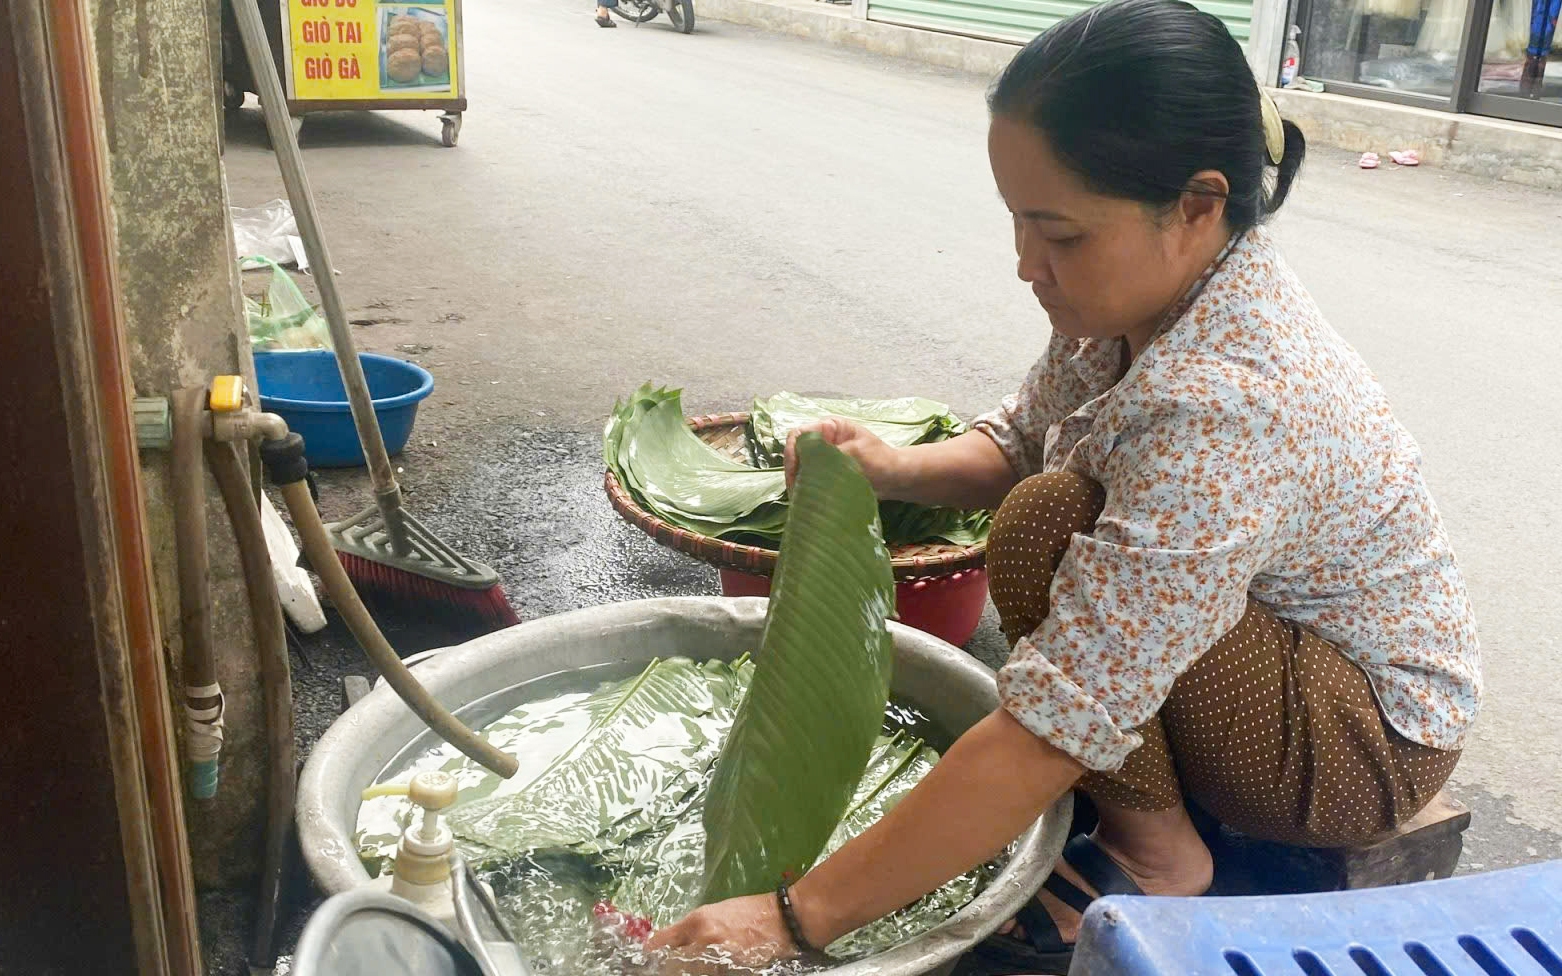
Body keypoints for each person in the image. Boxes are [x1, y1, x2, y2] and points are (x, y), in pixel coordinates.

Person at [647, 0, 1482, 972]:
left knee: (1046, 522)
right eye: (1016, 222)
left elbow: (1062, 714)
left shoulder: (1230, 404)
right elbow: (1019, 435)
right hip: (1268, 652)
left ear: (1197, 206)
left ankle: (1158, 855)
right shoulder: (1139, 293)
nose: (1023, 265)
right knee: (1046, 501)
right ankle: (1149, 811)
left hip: (1362, 742)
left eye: (1057, 234)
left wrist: (794, 916)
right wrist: (887, 467)